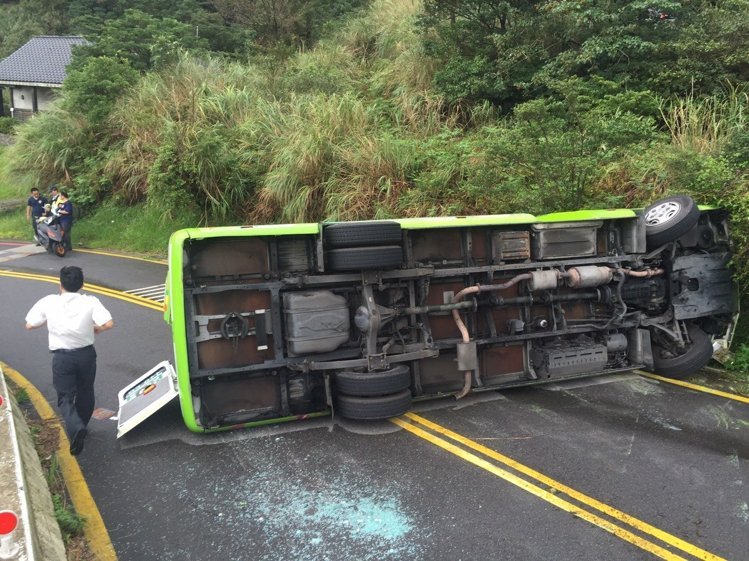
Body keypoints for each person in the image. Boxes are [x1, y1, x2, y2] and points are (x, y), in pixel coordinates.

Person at [25, 266, 114, 455]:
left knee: (65, 397)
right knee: (86, 390)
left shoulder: (49, 302)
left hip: (62, 357)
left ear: (60, 285)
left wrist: (49, 321)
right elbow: (108, 323)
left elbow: (30, 325)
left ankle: (75, 427)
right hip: (86, 355)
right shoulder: (90, 301)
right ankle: (82, 424)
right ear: (82, 284)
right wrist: (97, 329)